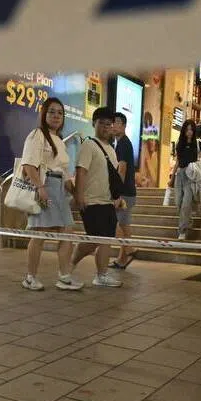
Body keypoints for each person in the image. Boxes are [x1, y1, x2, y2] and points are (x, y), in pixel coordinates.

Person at [20, 97, 83, 291]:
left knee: (67, 232)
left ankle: (64, 276)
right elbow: (28, 165)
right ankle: (30, 277)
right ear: (44, 114)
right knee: (39, 233)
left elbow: (63, 170)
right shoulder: (37, 135)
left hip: (59, 189)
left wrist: (75, 191)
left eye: (60, 113)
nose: (56, 116)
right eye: (52, 112)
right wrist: (40, 188)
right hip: (44, 186)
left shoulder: (59, 140)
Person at [71, 106, 122, 287]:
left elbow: (112, 177)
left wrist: (117, 197)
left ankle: (101, 275)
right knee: (94, 239)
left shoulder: (112, 150)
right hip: (91, 201)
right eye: (102, 123)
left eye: (109, 124)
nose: (106, 127)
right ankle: (69, 265)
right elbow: (81, 171)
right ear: (95, 123)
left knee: (107, 238)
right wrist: (79, 196)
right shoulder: (89, 145)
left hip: (107, 201)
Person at [111, 111, 137, 269]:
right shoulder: (122, 143)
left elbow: (122, 169)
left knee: (114, 223)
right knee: (124, 225)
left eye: (118, 123)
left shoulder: (122, 144)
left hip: (124, 193)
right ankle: (122, 259)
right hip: (128, 192)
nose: (114, 125)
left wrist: (117, 193)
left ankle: (130, 248)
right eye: (112, 122)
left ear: (124, 126)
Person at [174, 120, 201, 240]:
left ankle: (182, 230)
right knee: (178, 203)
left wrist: (196, 168)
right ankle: (188, 221)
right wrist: (172, 178)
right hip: (180, 174)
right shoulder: (180, 143)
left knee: (186, 204)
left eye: (191, 129)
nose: (189, 132)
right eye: (187, 129)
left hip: (191, 175)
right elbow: (178, 160)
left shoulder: (198, 143)